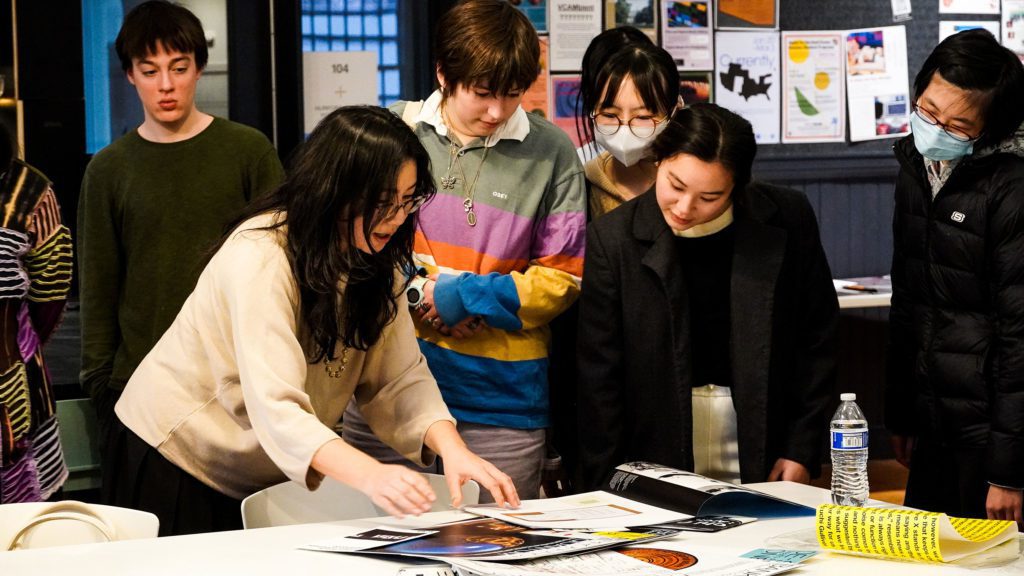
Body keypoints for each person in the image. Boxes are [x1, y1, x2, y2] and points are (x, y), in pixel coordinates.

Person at [106, 106, 518, 536]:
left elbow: (398, 378)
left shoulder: (377, 260)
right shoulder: (262, 255)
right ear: (334, 191)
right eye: (382, 203)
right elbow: (276, 405)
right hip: (174, 456)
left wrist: (452, 448)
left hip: (261, 468)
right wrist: (371, 475)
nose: (397, 218)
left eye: (408, 200)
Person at [342, 0, 586, 501]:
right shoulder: (395, 132)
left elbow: (563, 277)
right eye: (482, 93)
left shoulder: (552, 152)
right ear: (443, 74)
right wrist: (421, 295)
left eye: (513, 95)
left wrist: (464, 297)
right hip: (387, 388)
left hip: (501, 400)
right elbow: (356, 245)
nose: (497, 112)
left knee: (496, 545)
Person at [576, 103, 838, 490]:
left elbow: (817, 339)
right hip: (657, 438)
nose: (684, 208)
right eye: (676, 186)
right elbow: (599, 376)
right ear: (659, 159)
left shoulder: (785, 217)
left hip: (760, 428)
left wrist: (801, 447)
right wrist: (609, 480)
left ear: (738, 186)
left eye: (709, 197)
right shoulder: (613, 239)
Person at [78, 0, 284, 459]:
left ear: (199, 68)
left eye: (179, 67)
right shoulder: (109, 170)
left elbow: (282, 265)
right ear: (130, 75)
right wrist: (101, 387)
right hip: (139, 389)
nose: (166, 85)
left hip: (237, 383)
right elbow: (98, 287)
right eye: (149, 71)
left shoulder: (247, 152)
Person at [886, 29, 1024, 526]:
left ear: (991, 129)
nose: (936, 129)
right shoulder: (915, 166)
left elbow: (1020, 336)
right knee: (921, 551)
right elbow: (909, 302)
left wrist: (1011, 473)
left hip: (992, 433)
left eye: (958, 125)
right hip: (933, 420)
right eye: (927, 110)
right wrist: (901, 414)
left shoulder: (1012, 187)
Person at [0, 126, 73, 503]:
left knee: (22, 537)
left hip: (12, 384)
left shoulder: (28, 189)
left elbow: (52, 291)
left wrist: (18, 344)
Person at [577, 27, 680, 219]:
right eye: (609, 115)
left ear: (675, 110)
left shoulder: (688, 181)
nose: (624, 130)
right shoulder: (579, 182)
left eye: (642, 117)